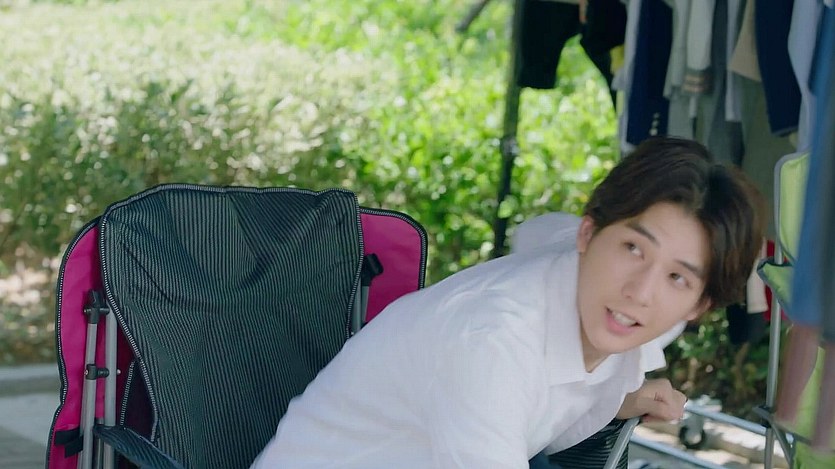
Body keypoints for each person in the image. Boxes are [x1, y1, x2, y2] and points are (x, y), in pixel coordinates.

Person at [251, 136, 765, 468]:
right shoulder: (490, 346)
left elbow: (539, 230)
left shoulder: (614, 295)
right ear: (588, 233)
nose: (641, 290)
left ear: (699, 306)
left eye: (677, 277)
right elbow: (505, 364)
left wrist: (617, 396)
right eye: (633, 248)